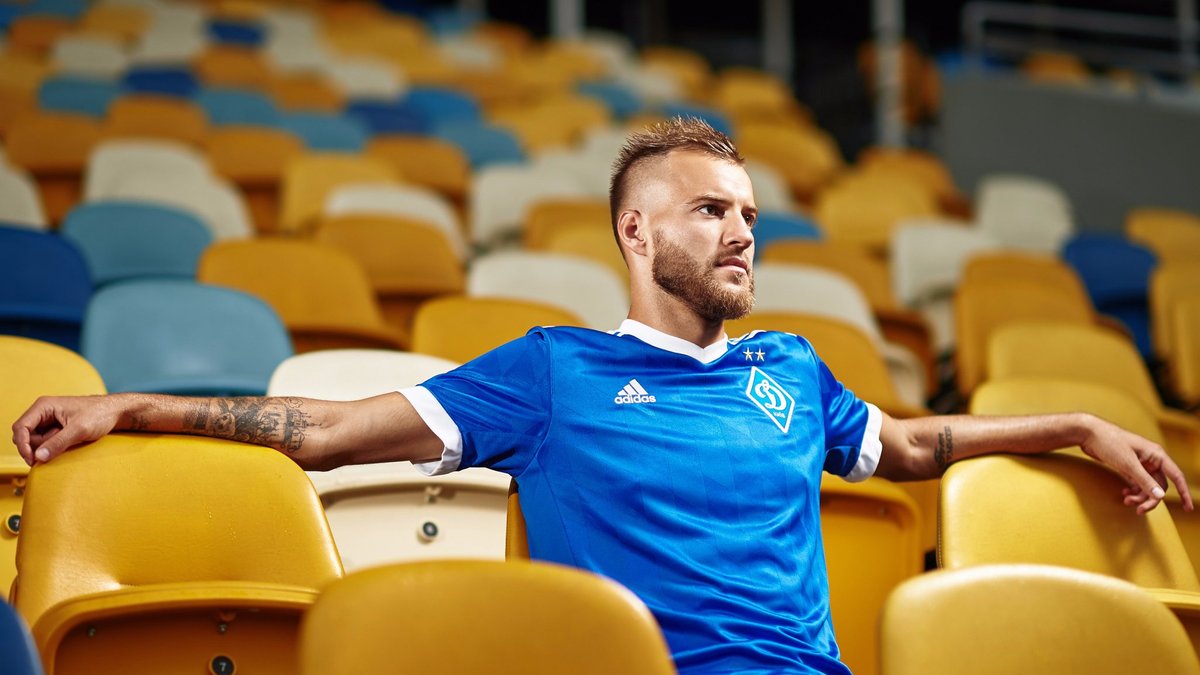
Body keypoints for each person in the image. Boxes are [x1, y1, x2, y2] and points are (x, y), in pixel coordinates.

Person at [12, 118, 1193, 675]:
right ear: (635, 232)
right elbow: (325, 434)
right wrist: (133, 407)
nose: (741, 234)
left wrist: (1078, 424)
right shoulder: (552, 371)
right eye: (709, 212)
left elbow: (914, 447)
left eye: (747, 213)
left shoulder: (790, 369)